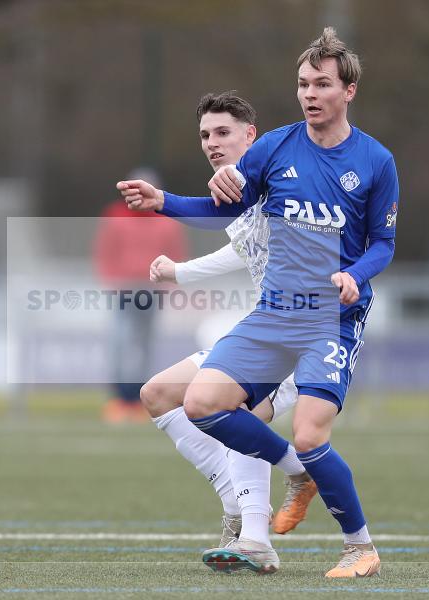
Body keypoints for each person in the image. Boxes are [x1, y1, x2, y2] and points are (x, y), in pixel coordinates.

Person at [117, 28, 398, 578]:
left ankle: (358, 547)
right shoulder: (275, 147)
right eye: (303, 84)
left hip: (330, 318)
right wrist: (163, 202)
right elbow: (229, 210)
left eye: (322, 84)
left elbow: (383, 243)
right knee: (200, 403)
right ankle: (272, 497)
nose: (310, 93)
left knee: (309, 433)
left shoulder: (375, 161)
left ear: (349, 91)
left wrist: (354, 274)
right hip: (273, 313)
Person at [140, 92, 318, 575]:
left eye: (223, 132)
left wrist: (168, 219)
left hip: (303, 334)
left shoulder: (278, 180)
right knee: (158, 393)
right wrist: (179, 272)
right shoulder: (242, 193)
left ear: (250, 135)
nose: (212, 143)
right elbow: (243, 250)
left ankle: (257, 537)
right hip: (263, 330)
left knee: (236, 411)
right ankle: (237, 504)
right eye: (205, 135)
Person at [93, 168, 186, 423]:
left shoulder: (166, 218)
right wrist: (110, 279)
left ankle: (138, 399)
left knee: (145, 345)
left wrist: (171, 282)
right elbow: (105, 250)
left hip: (152, 290)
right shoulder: (115, 216)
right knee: (120, 341)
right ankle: (120, 398)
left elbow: (175, 253)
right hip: (124, 289)